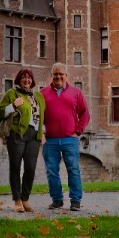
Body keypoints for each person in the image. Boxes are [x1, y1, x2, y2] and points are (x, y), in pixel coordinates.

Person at [41, 62, 89, 211]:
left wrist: (78, 131)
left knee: (73, 169)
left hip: (70, 139)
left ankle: (75, 201)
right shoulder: (42, 94)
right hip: (50, 140)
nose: (58, 77)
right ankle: (57, 200)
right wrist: (41, 134)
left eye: (61, 74)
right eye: (55, 74)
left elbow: (85, 114)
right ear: (51, 76)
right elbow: (37, 115)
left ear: (66, 76)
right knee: (51, 171)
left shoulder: (76, 92)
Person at [0, 68, 46, 213]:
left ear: (32, 81)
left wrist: (42, 131)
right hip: (17, 134)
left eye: (29, 78)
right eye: (24, 77)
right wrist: (13, 105)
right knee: (15, 167)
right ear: (19, 79)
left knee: (30, 167)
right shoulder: (11, 93)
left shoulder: (38, 96)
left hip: (34, 136)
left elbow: (42, 115)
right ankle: (17, 200)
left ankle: (25, 198)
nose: (27, 80)